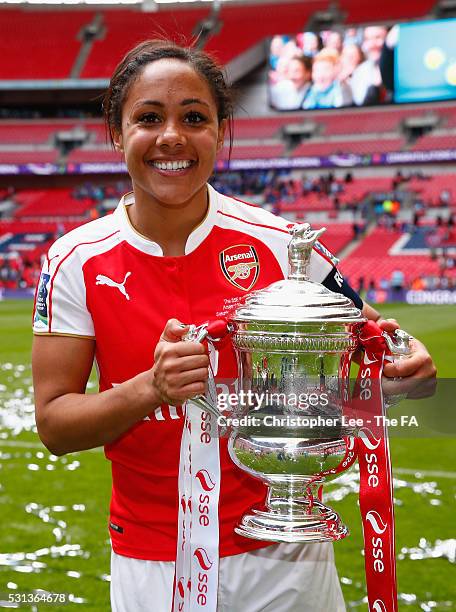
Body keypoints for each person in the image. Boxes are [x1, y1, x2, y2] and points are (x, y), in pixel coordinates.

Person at [32, 39, 436, 612]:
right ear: (117, 133)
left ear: (220, 132)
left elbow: (371, 336)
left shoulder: (281, 242)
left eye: (194, 118)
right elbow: (54, 424)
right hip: (152, 558)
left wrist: (404, 363)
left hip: (286, 550)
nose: (172, 136)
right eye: (149, 117)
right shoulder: (74, 259)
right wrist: (152, 388)